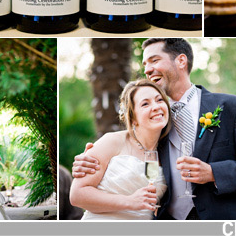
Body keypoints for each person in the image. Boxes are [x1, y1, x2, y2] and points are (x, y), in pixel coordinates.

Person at [72, 38, 236, 222]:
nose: (147, 69)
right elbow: (136, 158)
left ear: (181, 61)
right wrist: (88, 159)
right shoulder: (154, 123)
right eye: (145, 64)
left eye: (154, 60)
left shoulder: (232, 107)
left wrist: (213, 173)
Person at [70, 79, 170, 220]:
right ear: (132, 117)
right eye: (145, 104)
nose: (156, 107)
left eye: (159, 100)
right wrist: (129, 201)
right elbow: (77, 195)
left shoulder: (169, 150)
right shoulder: (112, 141)